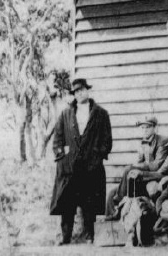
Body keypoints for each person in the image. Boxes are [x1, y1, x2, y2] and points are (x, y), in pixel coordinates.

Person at [49, 78, 113, 245]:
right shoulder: (66, 114)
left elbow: (107, 141)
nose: (79, 93)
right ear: (74, 94)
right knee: (67, 203)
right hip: (70, 167)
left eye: (82, 90)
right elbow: (58, 139)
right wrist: (62, 157)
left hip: (91, 166)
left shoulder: (101, 114)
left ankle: (90, 236)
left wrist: (97, 156)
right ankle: (65, 237)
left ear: (87, 91)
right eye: (76, 91)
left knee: (90, 202)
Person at [106, 115, 168, 218]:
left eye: (147, 127)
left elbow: (157, 165)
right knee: (112, 192)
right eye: (142, 127)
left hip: (154, 176)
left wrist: (137, 167)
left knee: (128, 169)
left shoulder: (162, 141)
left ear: (155, 128)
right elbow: (139, 161)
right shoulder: (143, 142)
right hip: (143, 177)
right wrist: (136, 166)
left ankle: (119, 201)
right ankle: (111, 216)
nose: (144, 130)